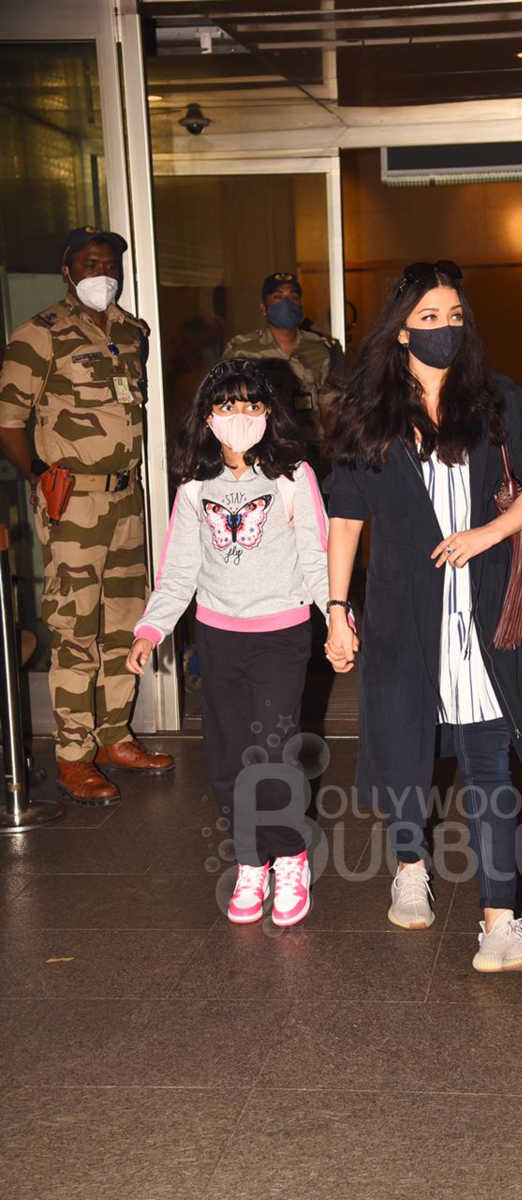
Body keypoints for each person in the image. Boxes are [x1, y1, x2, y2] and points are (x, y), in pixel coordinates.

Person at [325, 259, 522, 973]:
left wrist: (487, 535)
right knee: (408, 751)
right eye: (430, 318)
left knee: (491, 764)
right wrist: (337, 610)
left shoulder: (497, 402)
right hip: (405, 615)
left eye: (455, 317)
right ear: (400, 331)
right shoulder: (369, 415)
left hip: (488, 615)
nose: (446, 330)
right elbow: (344, 519)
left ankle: (499, 925)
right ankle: (409, 864)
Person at [126, 358, 330, 927]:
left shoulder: (294, 477)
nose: (239, 416)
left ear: (270, 413)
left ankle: (289, 855)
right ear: (208, 416)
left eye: (251, 404)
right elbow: (178, 571)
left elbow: (317, 558)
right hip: (218, 638)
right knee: (227, 759)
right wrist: (151, 628)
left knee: (272, 751)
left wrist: (338, 620)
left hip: (282, 636)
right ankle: (250, 860)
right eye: (226, 405)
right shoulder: (195, 486)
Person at [0, 226, 174, 805]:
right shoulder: (39, 335)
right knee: (76, 628)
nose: (104, 272)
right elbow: (9, 420)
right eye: (90, 262)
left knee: (126, 620)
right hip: (73, 500)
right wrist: (38, 475)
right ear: (68, 270)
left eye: (111, 263)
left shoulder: (131, 332)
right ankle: (73, 755)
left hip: (127, 498)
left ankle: (113, 736)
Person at [223, 271, 341, 460]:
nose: (286, 303)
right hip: (259, 451)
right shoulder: (242, 350)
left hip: (310, 450)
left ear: (301, 306)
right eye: (278, 297)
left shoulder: (320, 349)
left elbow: (330, 405)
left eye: (293, 297)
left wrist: (332, 445)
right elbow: (227, 406)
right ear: (263, 308)